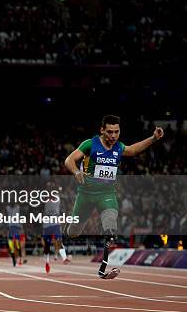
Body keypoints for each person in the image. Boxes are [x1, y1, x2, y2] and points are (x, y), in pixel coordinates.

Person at [64, 115, 164, 279]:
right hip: (86, 194)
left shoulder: (118, 147)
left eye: (116, 132)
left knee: (110, 227)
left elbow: (133, 150)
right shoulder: (90, 144)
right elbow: (69, 160)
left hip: (106, 194)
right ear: (102, 130)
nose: (113, 136)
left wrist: (153, 138)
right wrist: (76, 172)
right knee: (73, 233)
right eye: (109, 132)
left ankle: (103, 269)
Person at [41, 182, 70, 274]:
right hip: (46, 224)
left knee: (59, 240)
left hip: (55, 223)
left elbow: (56, 196)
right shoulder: (44, 197)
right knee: (47, 245)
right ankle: (47, 262)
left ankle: (64, 258)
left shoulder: (57, 197)